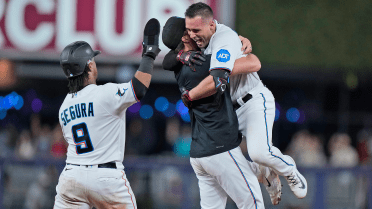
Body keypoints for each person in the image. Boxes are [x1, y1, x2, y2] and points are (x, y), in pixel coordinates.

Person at [180, 2, 308, 200]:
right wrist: (181, 53)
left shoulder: (225, 38)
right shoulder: (198, 40)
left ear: (212, 25)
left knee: (259, 153)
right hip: (229, 110)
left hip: (253, 101)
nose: (191, 34)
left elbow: (237, 70)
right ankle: (265, 174)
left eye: (196, 30)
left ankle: (289, 169)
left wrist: (192, 94)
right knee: (220, 158)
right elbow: (171, 52)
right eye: (188, 30)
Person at [53, 18, 161, 209]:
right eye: (93, 60)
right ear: (90, 66)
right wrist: (149, 55)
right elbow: (139, 89)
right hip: (105, 177)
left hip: (71, 176)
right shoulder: (104, 93)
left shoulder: (64, 107)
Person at [162, 16, 266, 209]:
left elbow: (167, 60)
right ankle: (259, 171)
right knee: (253, 204)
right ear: (185, 38)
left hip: (200, 154)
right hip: (220, 148)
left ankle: (258, 171)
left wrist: (237, 40)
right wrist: (237, 44)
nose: (196, 32)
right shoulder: (205, 61)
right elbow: (254, 63)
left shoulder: (180, 65)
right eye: (190, 30)